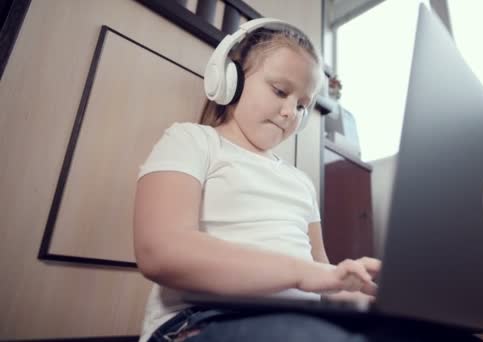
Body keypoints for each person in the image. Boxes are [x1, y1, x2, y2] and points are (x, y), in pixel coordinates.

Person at [134, 19, 383, 342]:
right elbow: (161, 251)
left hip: (298, 319)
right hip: (201, 319)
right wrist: (300, 273)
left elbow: (322, 270)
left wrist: (361, 291)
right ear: (230, 79)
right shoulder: (192, 141)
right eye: (280, 91)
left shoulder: (300, 181)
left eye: (302, 106)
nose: (291, 112)